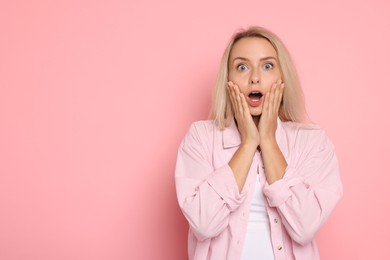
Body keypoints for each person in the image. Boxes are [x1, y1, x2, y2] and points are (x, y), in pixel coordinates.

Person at [175, 26, 343, 260]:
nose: (254, 77)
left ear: (282, 77)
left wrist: (268, 141)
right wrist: (248, 143)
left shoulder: (313, 141)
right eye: (242, 67)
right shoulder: (201, 137)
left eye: (267, 66)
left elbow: (304, 228)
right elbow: (203, 224)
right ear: (228, 79)